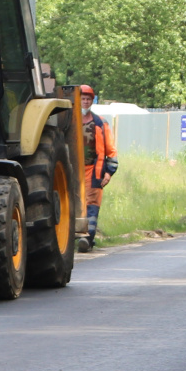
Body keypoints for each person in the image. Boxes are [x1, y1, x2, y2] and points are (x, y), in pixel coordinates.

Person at [79, 85, 113, 250]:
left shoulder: (100, 122)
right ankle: (77, 237)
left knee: (92, 205)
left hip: (94, 170)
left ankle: (87, 239)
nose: (85, 102)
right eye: (82, 99)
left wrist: (109, 172)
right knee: (76, 205)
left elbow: (110, 149)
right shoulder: (69, 121)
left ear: (92, 101)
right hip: (75, 171)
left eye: (88, 99)